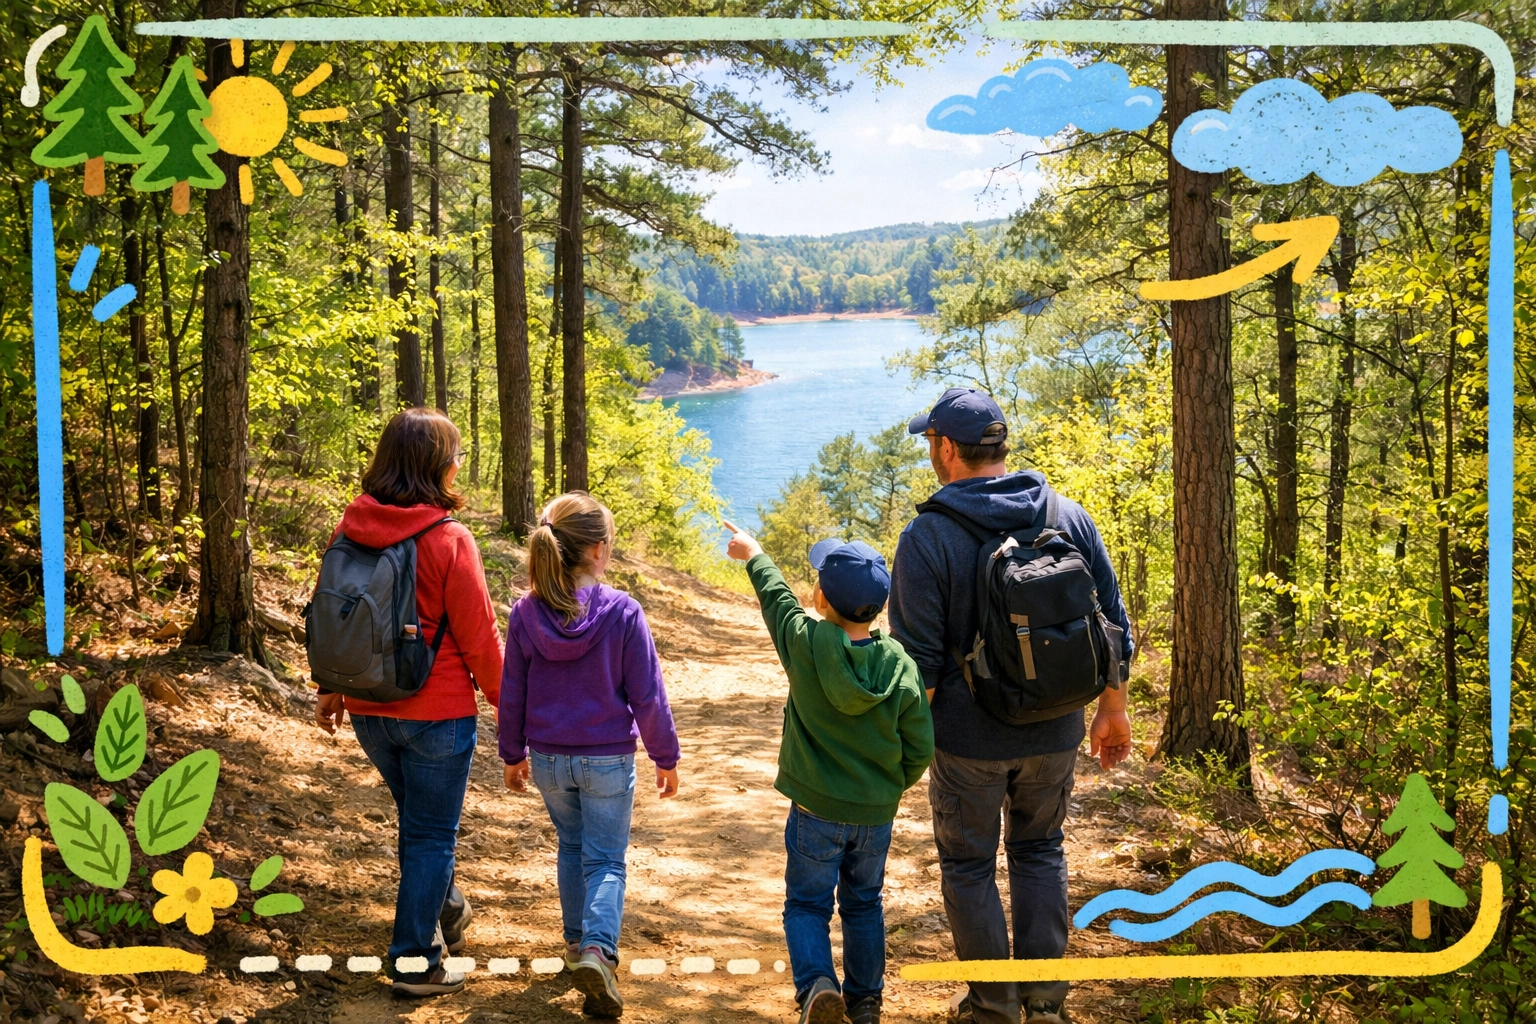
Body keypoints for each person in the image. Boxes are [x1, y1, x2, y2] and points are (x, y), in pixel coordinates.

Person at [888, 387, 1135, 1024]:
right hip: (1057, 729)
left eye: (930, 443)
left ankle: (992, 1005)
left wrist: (903, 745)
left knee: (969, 867)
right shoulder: (1067, 515)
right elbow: (1113, 623)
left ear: (946, 449)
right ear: (999, 447)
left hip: (968, 742)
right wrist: (1113, 707)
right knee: (1041, 852)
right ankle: (1045, 1006)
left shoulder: (927, 537)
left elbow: (920, 665)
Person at [313, 407, 505, 998]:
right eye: (456, 455)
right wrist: (510, 706)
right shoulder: (449, 539)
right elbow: (478, 635)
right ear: (436, 465)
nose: (459, 465)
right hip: (437, 714)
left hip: (370, 707)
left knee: (422, 826)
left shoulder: (348, 529)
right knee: (429, 835)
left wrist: (331, 687)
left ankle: (449, 913)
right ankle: (414, 959)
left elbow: (334, 615)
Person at [725, 519, 934, 1024]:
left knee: (806, 905)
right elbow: (920, 747)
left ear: (819, 598)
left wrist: (755, 554)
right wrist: (886, 787)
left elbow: (776, 601)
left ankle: (817, 986)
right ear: (880, 605)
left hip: (815, 809)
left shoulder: (805, 644)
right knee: (864, 904)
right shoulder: (901, 665)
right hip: (875, 814)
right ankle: (865, 1002)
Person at [499, 492, 682, 1019]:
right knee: (605, 859)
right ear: (599, 551)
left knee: (572, 847)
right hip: (606, 759)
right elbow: (647, 695)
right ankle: (598, 951)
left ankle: (576, 944)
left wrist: (512, 752)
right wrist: (664, 756)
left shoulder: (527, 613)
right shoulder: (622, 612)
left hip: (550, 759)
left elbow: (513, 691)